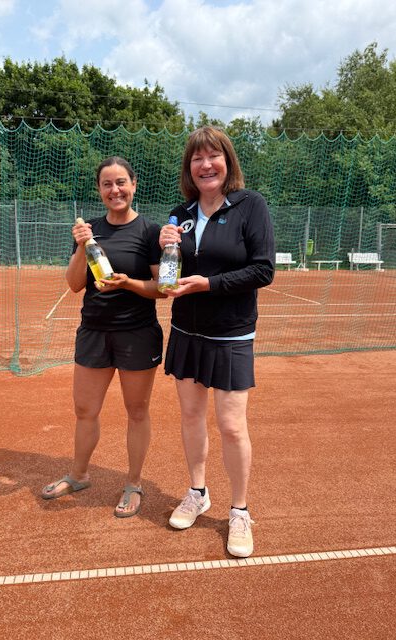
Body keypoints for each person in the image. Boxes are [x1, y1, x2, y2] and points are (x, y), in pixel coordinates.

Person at [159, 126, 275, 556]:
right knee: (191, 416)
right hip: (186, 331)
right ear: (189, 167)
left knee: (231, 426)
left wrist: (208, 284)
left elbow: (263, 269)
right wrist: (163, 248)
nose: (205, 165)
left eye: (213, 156)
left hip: (231, 333)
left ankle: (240, 510)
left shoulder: (250, 205)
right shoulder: (181, 214)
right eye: (197, 158)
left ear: (227, 161)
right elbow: (168, 276)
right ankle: (197, 492)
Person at [42, 156, 165, 518]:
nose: (115, 190)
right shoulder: (90, 230)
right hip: (94, 331)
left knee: (137, 411)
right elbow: (74, 284)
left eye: (121, 182)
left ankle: (134, 483)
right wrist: (82, 246)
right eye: (107, 184)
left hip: (137, 333)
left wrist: (127, 283)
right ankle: (79, 475)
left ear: (134, 185)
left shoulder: (149, 231)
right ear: (99, 189)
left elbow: (162, 288)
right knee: (85, 410)